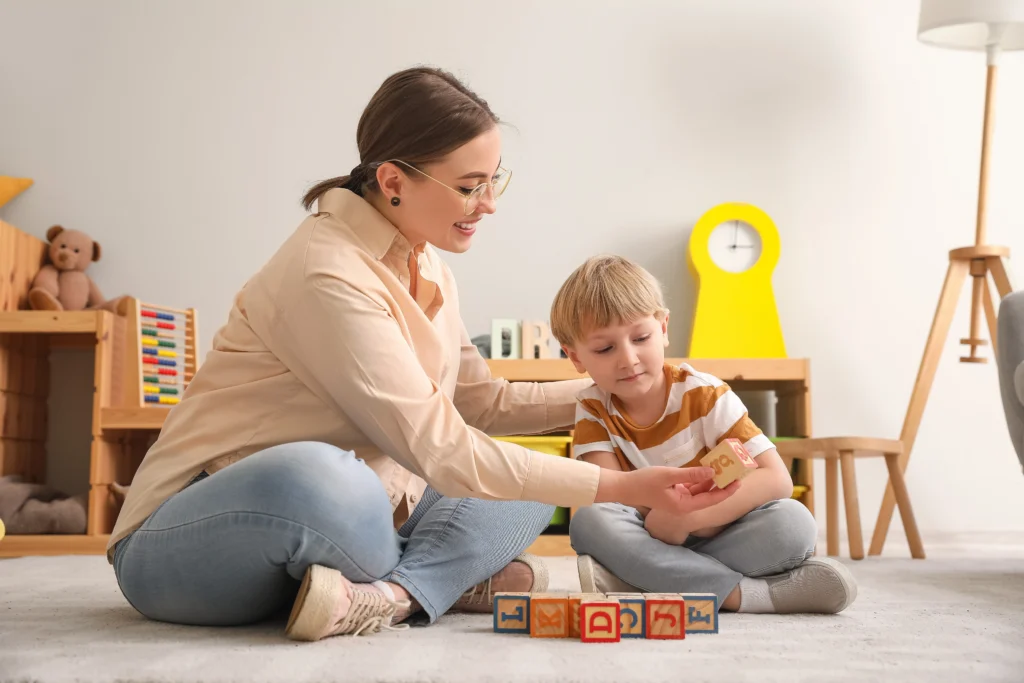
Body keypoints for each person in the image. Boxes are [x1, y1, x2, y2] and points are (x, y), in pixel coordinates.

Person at [106, 66, 738, 642]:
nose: (489, 204)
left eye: (494, 182)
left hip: (359, 524)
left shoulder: (424, 256)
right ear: (392, 183)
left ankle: (389, 594)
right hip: (187, 535)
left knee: (521, 489)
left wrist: (629, 380)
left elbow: (477, 401)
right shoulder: (325, 273)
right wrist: (622, 486)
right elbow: (441, 447)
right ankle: (441, 577)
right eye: (470, 187)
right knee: (328, 478)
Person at [549, 255, 858, 614]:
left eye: (641, 337)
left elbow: (776, 479)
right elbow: (608, 495)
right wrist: (665, 520)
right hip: (649, 534)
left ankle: (640, 580)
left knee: (793, 523)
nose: (628, 359)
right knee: (589, 522)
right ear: (575, 357)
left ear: (663, 328)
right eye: (605, 348)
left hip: (724, 529)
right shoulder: (592, 408)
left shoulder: (705, 393)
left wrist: (688, 517)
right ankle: (744, 596)